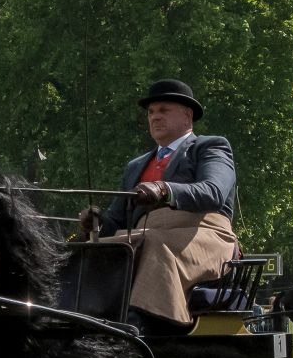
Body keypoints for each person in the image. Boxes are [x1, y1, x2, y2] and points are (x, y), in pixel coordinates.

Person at [80, 79, 237, 334]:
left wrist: (165, 190)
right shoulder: (136, 165)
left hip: (205, 234)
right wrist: (96, 222)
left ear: (187, 116)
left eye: (163, 110)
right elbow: (117, 221)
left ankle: (137, 322)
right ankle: (82, 317)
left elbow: (213, 192)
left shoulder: (210, 146)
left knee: (152, 243)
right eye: (151, 112)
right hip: (143, 236)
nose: (155, 117)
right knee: (92, 249)